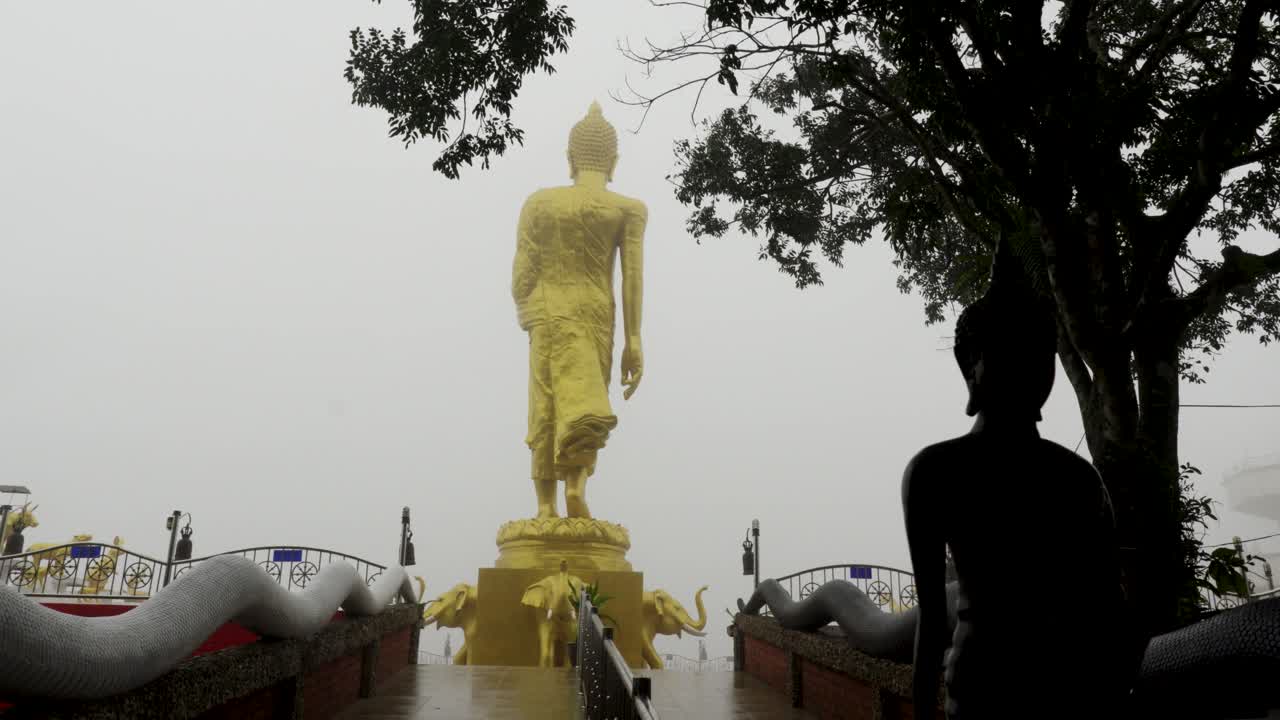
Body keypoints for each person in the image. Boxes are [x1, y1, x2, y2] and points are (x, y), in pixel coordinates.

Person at [903, 245, 1142, 718]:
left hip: (1059, 688)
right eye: (1009, 353)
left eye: (1038, 356)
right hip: (981, 687)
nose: (1027, 368)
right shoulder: (936, 471)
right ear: (969, 363)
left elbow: (1108, 617)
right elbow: (932, 618)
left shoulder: (1078, 479)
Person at [512, 102, 647, 520]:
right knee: (585, 400)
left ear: (570, 160)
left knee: (546, 403)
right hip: (593, 314)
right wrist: (634, 339)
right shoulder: (628, 209)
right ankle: (575, 487)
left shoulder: (539, 204)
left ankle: (544, 508)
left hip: (548, 313)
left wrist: (530, 313)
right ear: (613, 161)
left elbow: (522, 273)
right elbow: (631, 277)